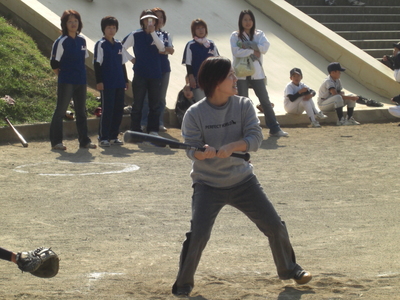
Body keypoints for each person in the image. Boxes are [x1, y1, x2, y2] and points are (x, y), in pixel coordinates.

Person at [171, 56, 312, 297]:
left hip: (243, 181)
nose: (236, 79)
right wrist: (201, 154)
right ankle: (183, 285)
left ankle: (289, 269)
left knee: (274, 226)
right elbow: (190, 150)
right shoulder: (194, 113)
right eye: (230, 76)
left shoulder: (244, 105)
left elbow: (255, 139)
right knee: (199, 234)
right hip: (207, 184)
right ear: (216, 82)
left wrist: (233, 146)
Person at [230, 9, 288, 137]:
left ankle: (275, 128)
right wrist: (252, 51)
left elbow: (265, 47)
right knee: (244, 102)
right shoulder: (235, 35)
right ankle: (245, 130)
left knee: (265, 101)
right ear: (240, 21)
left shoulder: (259, 34)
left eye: (250, 19)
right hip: (241, 73)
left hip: (257, 73)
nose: (248, 22)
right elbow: (236, 52)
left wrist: (250, 45)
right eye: (245, 19)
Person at [50, 9, 96, 150]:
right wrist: (64, 76)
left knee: (82, 111)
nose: (73, 23)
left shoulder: (82, 40)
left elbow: (84, 60)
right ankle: (56, 142)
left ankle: (84, 141)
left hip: (81, 81)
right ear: (64, 24)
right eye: (70, 21)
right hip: (67, 81)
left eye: (75, 21)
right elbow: (54, 63)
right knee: (60, 110)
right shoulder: (61, 41)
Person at [122, 10, 165, 136]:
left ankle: (153, 129)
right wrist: (131, 59)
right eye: (147, 20)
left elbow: (162, 48)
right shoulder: (135, 34)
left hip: (156, 73)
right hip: (140, 73)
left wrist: (153, 33)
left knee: (155, 103)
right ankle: (135, 129)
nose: (149, 22)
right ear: (142, 21)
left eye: (152, 20)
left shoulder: (158, 35)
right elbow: (122, 47)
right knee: (138, 103)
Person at [94, 16, 132, 147]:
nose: (111, 30)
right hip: (107, 82)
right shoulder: (101, 44)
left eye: (113, 27)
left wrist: (126, 80)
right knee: (107, 109)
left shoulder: (119, 44)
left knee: (118, 110)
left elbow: (122, 64)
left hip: (119, 82)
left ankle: (113, 136)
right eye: (109, 27)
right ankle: (103, 137)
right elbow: (97, 63)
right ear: (103, 29)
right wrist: (99, 81)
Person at [140, 7, 174, 133]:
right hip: (150, 69)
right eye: (156, 17)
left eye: (161, 17)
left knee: (161, 97)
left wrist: (164, 49)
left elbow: (171, 50)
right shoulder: (145, 34)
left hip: (164, 68)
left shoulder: (166, 35)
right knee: (147, 97)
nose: (158, 19)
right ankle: (144, 122)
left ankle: (159, 122)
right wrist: (164, 49)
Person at [182, 18, 219, 102]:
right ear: (193, 31)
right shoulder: (191, 45)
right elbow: (188, 62)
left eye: (202, 27)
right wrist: (191, 77)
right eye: (198, 28)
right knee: (201, 103)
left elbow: (217, 61)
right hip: (197, 80)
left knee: (212, 103)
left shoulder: (211, 44)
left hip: (210, 80)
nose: (201, 30)